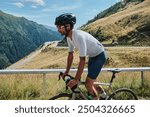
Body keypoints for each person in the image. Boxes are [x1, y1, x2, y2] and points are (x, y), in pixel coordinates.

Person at [55, 13, 107, 99]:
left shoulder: (78, 37)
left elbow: (82, 60)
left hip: (99, 56)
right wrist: (66, 72)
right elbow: (70, 55)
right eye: (57, 27)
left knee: (88, 84)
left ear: (68, 26)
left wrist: (76, 79)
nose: (58, 30)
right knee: (94, 83)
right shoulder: (68, 37)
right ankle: (105, 97)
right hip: (93, 56)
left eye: (59, 27)